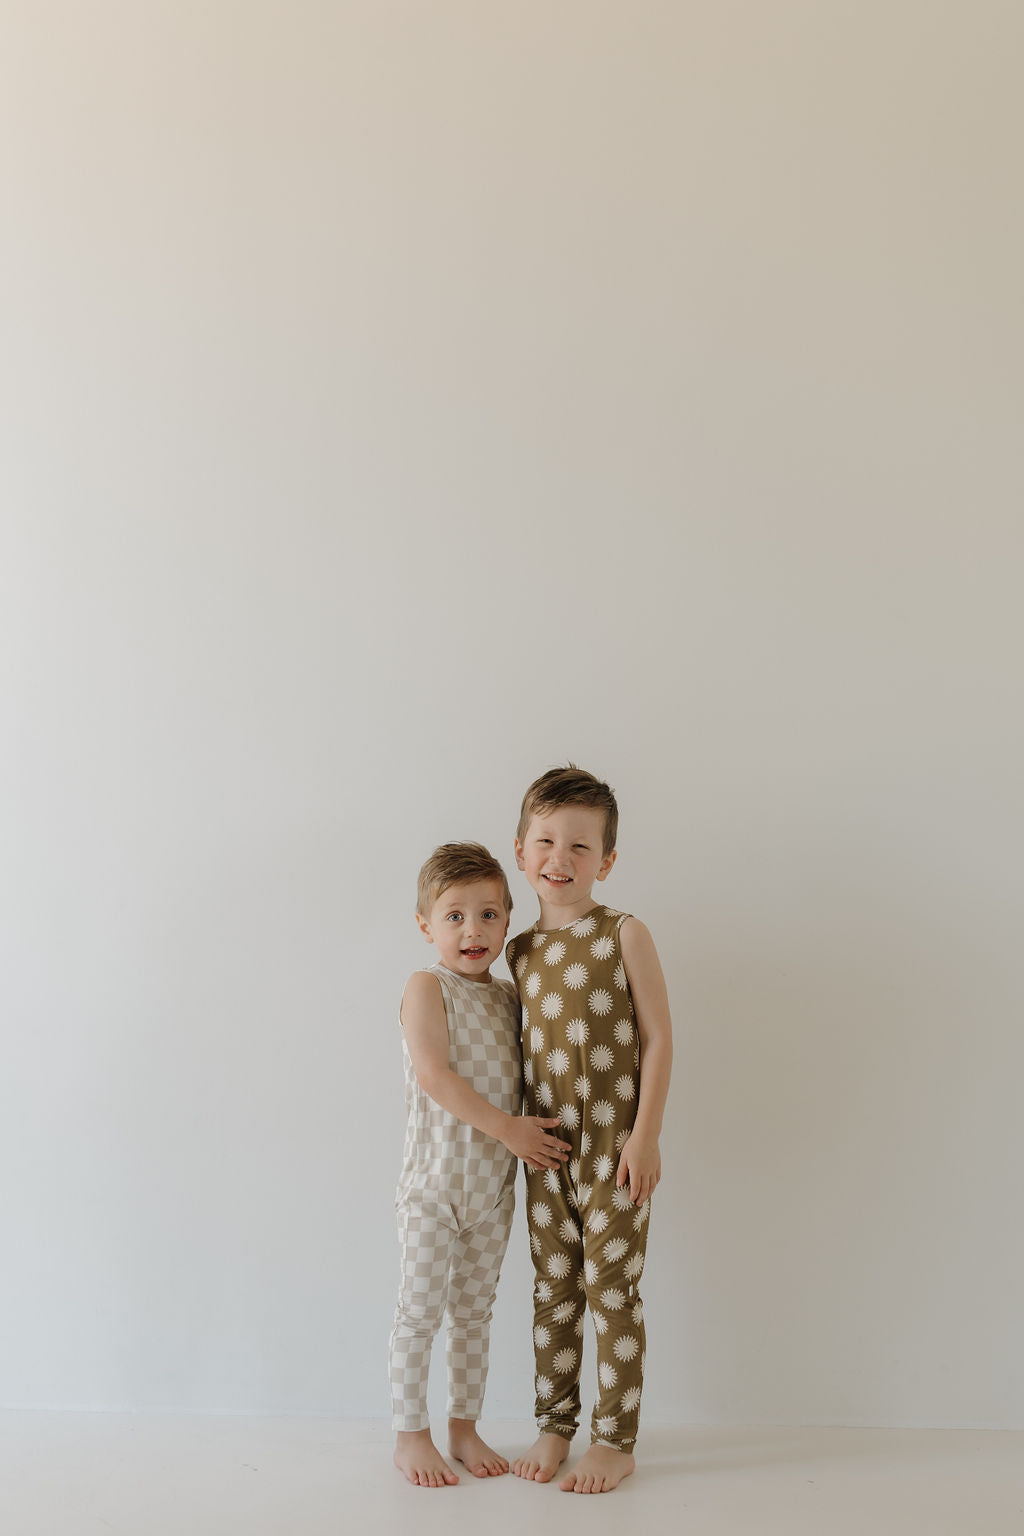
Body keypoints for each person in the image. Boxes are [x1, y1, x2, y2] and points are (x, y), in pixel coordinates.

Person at [506, 767, 673, 1494]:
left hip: (614, 1150)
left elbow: (659, 1037)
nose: (560, 858)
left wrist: (646, 1136)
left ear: (605, 862)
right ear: (520, 852)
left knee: (613, 1290)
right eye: (546, 841)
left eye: (580, 846)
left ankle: (616, 1438)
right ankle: (554, 1423)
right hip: (545, 1152)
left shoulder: (623, 933)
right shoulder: (516, 952)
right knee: (553, 1290)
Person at [390, 841, 571, 1488]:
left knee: (474, 1314)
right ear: (426, 925)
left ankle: (464, 1426)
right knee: (419, 1311)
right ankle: (412, 1433)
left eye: (490, 915)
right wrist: (509, 1130)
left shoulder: (506, 999)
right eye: (456, 915)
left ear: (507, 921)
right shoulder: (426, 987)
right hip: (435, 1187)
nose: (474, 930)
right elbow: (437, 1077)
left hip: (492, 1190)